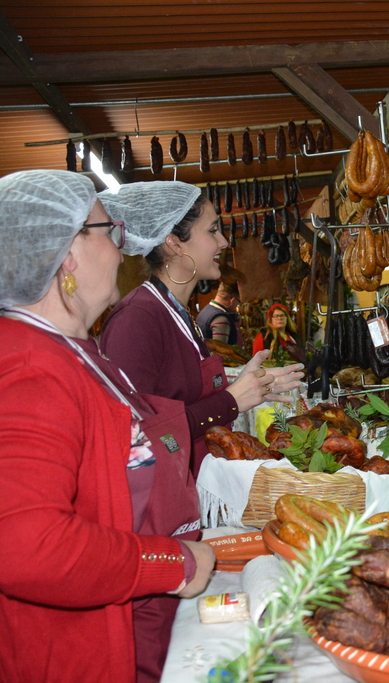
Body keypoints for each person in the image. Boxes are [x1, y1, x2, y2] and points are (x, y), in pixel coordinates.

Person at [0, 170, 215, 683]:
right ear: (66, 255)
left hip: (132, 633)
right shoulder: (30, 369)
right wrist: (170, 564)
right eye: (109, 232)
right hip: (76, 655)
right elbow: (27, 546)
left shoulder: (78, 351)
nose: (122, 251)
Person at [98, 182, 302, 476]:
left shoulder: (177, 313)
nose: (223, 242)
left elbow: (183, 401)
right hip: (164, 503)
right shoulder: (136, 320)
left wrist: (242, 385)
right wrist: (230, 401)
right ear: (174, 243)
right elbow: (135, 436)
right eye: (212, 230)